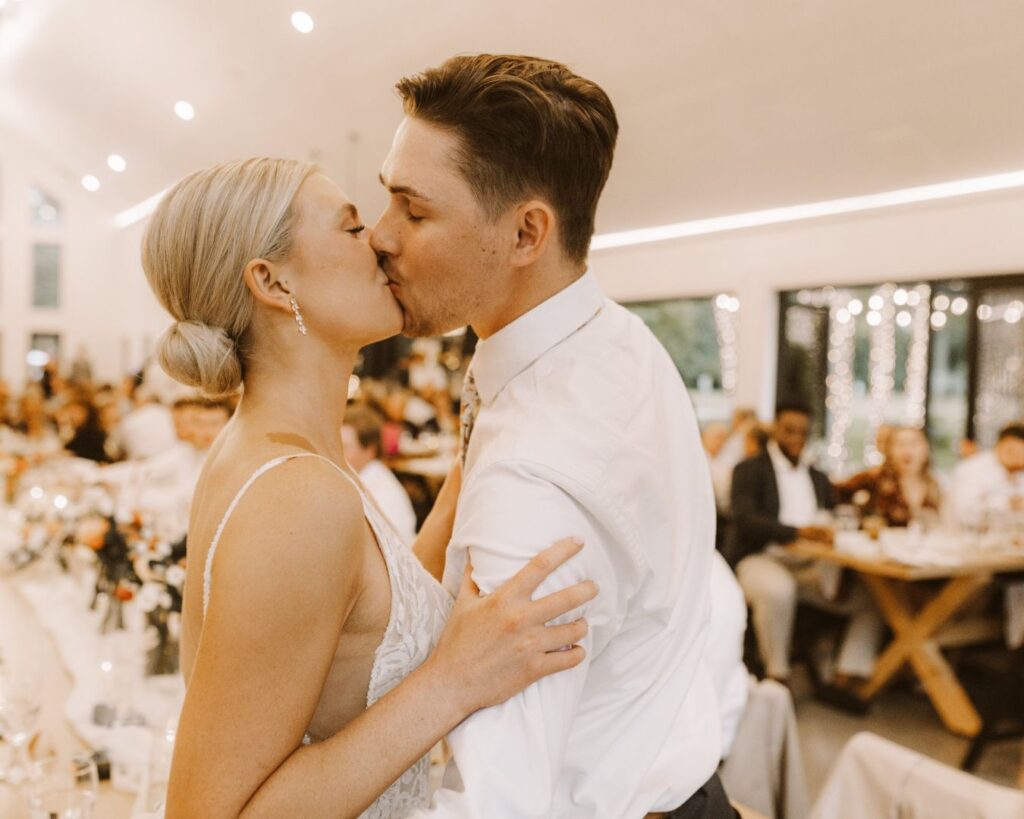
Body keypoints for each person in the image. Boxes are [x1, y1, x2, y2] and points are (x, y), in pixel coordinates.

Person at [143, 157, 596, 818]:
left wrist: (478, 447)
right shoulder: (297, 492)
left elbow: (360, 626)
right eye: (353, 227)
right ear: (272, 282)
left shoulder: (277, 449)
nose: (383, 241)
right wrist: (455, 681)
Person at [374, 54, 730, 817]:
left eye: (414, 209)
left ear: (526, 232)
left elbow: (496, 803)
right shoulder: (617, 339)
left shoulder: (533, 483)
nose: (380, 236)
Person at [728, 402, 883, 687]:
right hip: (761, 558)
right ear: (775, 428)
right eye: (789, 430)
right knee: (778, 590)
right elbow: (746, 521)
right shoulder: (749, 470)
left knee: (872, 599)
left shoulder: (818, 477)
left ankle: (846, 675)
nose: (796, 437)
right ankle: (778, 675)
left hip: (813, 565)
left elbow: (835, 515)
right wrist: (799, 532)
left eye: (803, 431)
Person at [836, 426, 943, 526]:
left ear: (925, 450)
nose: (907, 450)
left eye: (914, 444)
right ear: (890, 451)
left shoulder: (933, 486)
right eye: (901, 444)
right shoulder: (875, 478)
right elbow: (837, 493)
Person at [342, 403, 418, 543]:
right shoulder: (361, 479)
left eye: (345, 447)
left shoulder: (382, 492)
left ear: (369, 450)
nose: (339, 454)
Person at [949, 422, 1024, 526]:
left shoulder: (1019, 474)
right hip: (966, 538)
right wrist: (1008, 504)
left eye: (1021, 453)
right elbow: (963, 514)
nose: (1017, 458)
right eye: (1012, 451)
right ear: (998, 445)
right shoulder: (971, 469)